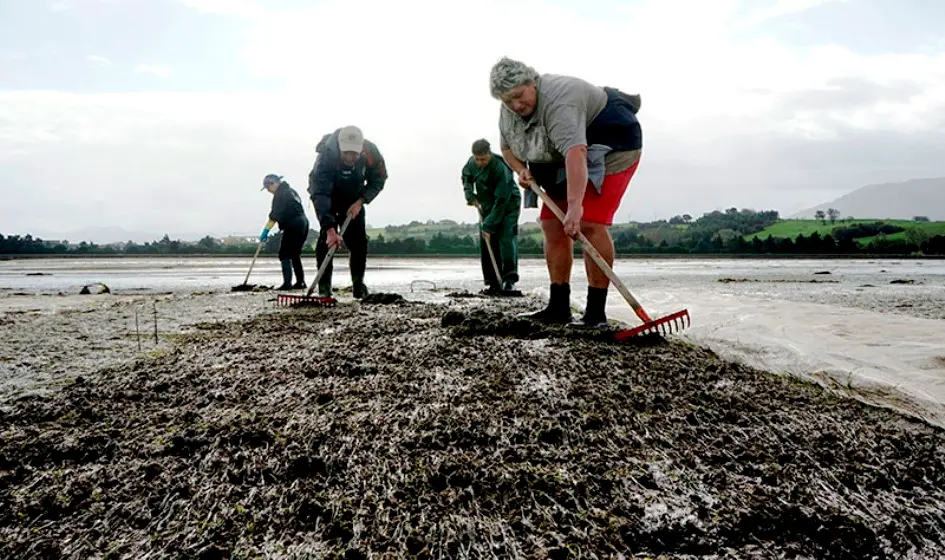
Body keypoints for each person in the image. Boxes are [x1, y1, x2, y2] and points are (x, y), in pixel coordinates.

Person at [489, 56, 643, 328]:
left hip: (613, 145)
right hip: (558, 158)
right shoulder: (509, 111)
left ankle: (596, 314)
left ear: (532, 82)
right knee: (551, 224)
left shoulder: (560, 100)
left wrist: (574, 207)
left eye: (519, 96)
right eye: (507, 100)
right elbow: (507, 150)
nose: (515, 105)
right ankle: (558, 307)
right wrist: (520, 169)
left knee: (588, 222)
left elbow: (576, 153)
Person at [307, 125, 388, 299]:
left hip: (354, 199)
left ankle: (358, 285)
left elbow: (379, 179)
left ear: (361, 148)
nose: (350, 157)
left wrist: (361, 201)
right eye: (346, 153)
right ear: (339, 147)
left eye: (354, 153)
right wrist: (330, 230)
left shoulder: (371, 153)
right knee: (325, 242)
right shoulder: (326, 157)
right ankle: (324, 288)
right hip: (328, 197)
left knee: (359, 243)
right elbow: (319, 193)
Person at [461, 138, 521, 293]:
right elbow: (466, 176)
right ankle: (493, 281)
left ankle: (509, 280)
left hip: (507, 203)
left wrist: (489, 224)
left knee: (505, 236)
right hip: (486, 203)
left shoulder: (500, 168)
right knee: (486, 239)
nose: (480, 162)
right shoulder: (471, 163)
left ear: (489, 154)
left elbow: (502, 199)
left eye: (483, 159)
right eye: (477, 159)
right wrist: (469, 195)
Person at [259, 173, 310, 290]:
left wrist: (266, 231)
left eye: (268, 188)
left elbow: (274, 215)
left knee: (284, 253)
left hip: (293, 224)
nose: (268, 191)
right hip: (303, 222)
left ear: (273, 183)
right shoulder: (291, 191)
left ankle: (287, 284)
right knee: (295, 254)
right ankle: (300, 282)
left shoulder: (280, 194)